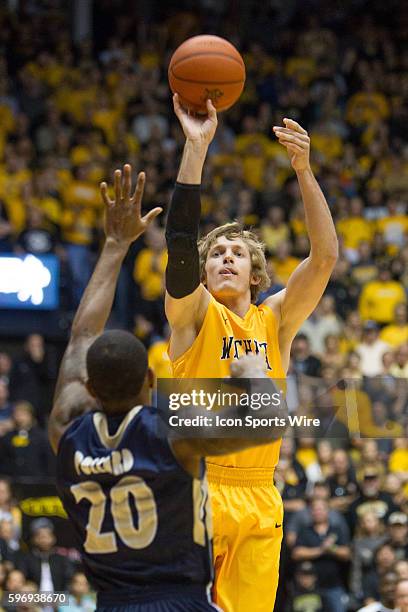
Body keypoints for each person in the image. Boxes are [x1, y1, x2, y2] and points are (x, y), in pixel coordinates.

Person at [48, 164, 288, 611]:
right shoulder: (173, 439)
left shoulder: (67, 428)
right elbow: (269, 422)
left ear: (89, 388)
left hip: (113, 599)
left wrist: (115, 245)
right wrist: (255, 372)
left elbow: (81, 336)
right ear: (151, 383)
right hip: (176, 599)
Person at [164, 93, 338, 612]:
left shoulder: (276, 320)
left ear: (255, 273)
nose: (225, 258)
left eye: (236, 253)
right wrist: (196, 149)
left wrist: (304, 170)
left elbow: (325, 257)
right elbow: (178, 242)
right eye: (216, 253)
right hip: (198, 487)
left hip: (261, 493)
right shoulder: (192, 313)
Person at [292, 498, 350, 612]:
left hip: (333, 586)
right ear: (311, 512)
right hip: (310, 589)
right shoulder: (305, 531)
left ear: (327, 511)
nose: (318, 512)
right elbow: (296, 553)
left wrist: (332, 548)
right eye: (315, 509)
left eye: (321, 509)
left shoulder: (336, 529)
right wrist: (320, 550)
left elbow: (346, 553)